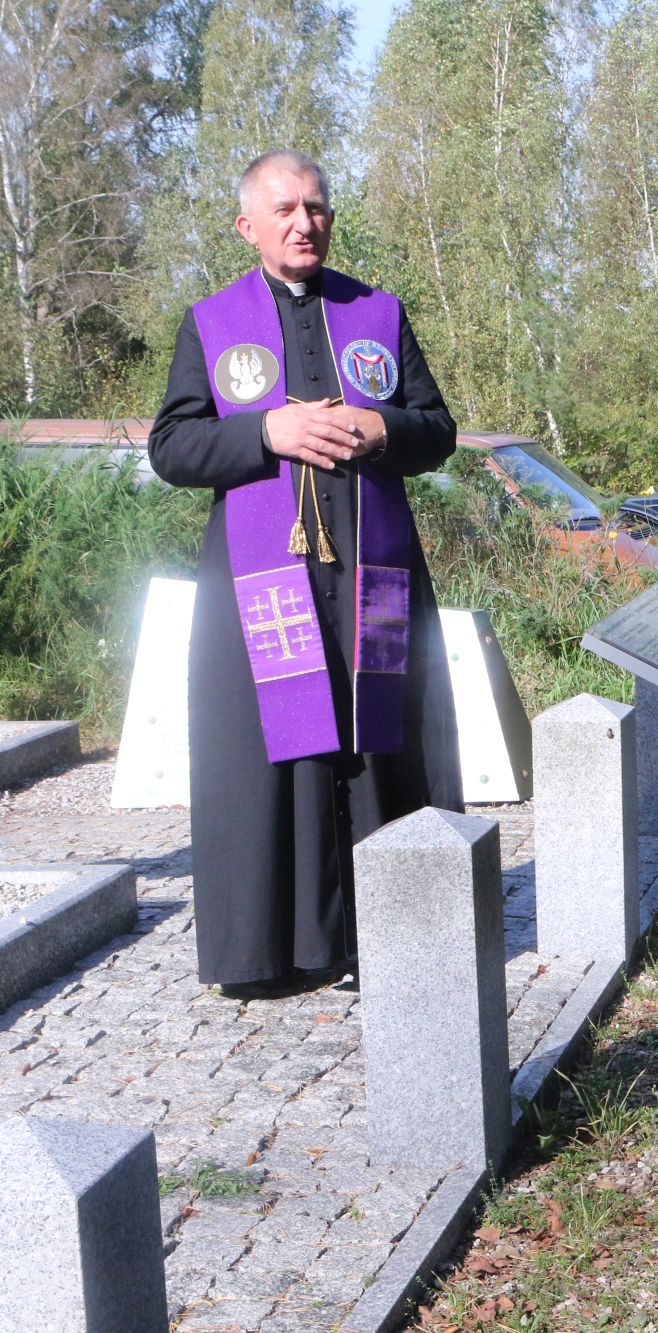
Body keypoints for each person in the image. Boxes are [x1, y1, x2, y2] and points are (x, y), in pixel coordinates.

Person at [149, 149, 463, 999]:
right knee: (275, 758)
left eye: (317, 207)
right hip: (263, 580)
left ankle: (396, 934)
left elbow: (438, 429)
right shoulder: (212, 322)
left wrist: (383, 429)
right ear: (247, 226)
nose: (304, 223)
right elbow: (172, 447)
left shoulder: (377, 312)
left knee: (377, 744)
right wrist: (267, 434)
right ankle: (278, 951)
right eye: (285, 209)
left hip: (372, 571)